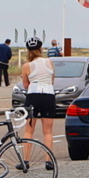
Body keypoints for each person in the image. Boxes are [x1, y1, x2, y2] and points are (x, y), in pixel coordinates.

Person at [20, 38, 56, 170]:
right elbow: (52, 80)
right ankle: (48, 161)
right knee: (48, 131)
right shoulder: (49, 62)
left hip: (33, 95)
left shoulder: (27, 66)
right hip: (48, 94)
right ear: (40, 49)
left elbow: (25, 84)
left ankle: (26, 161)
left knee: (29, 130)